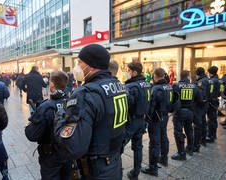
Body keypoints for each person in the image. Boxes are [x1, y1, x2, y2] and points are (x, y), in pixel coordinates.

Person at [54, 44, 127, 179]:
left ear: (91, 65)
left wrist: (60, 116)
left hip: (96, 170)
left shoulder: (85, 94)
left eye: (79, 62)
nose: (77, 67)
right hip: (114, 162)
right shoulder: (120, 86)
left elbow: (72, 147)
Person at [25, 71, 71, 179]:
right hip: (68, 152)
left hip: (50, 156)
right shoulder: (71, 102)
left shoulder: (46, 107)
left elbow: (31, 135)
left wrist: (32, 122)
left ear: (51, 85)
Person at [141, 68, 172, 176]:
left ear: (155, 76)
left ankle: (153, 168)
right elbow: (173, 103)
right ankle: (164, 159)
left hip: (155, 119)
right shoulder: (169, 86)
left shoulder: (156, 89)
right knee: (164, 137)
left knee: (154, 143)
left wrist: (146, 121)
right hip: (165, 116)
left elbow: (150, 107)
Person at [124, 61, 151, 179]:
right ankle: (136, 172)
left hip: (131, 121)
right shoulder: (147, 84)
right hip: (142, 120)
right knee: (138, 147)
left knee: (119, 146)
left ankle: (114, 171)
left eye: (128, 70)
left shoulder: (131, 86)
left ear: (134, 72)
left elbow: (127, 104)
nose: (127, 73)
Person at [171, 70, 202, 160]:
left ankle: (181, 153)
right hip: (190, 112)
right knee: (189, 130)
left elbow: (172, 99)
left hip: (179, 112)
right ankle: (190, 148)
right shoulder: (195, 87)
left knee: (178, 132)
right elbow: (199, 100)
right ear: (188, 76)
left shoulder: (176, 86)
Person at [194, 67, 210, 150]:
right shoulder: (207, 79)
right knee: (203, 121)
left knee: (199, 123)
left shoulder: (201, 81)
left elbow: (201, 94)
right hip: (206, 103)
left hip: (201, 105)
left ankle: (199, 140)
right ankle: (203, 138)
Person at [206, 66, 220, 143]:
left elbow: (210, 92)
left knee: (211, 119)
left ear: (210, 72)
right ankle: (213, 134)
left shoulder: (211, 81)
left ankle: (210, 136)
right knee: (213, 118)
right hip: (215, 100)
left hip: (211, 101)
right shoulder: (218, 80)